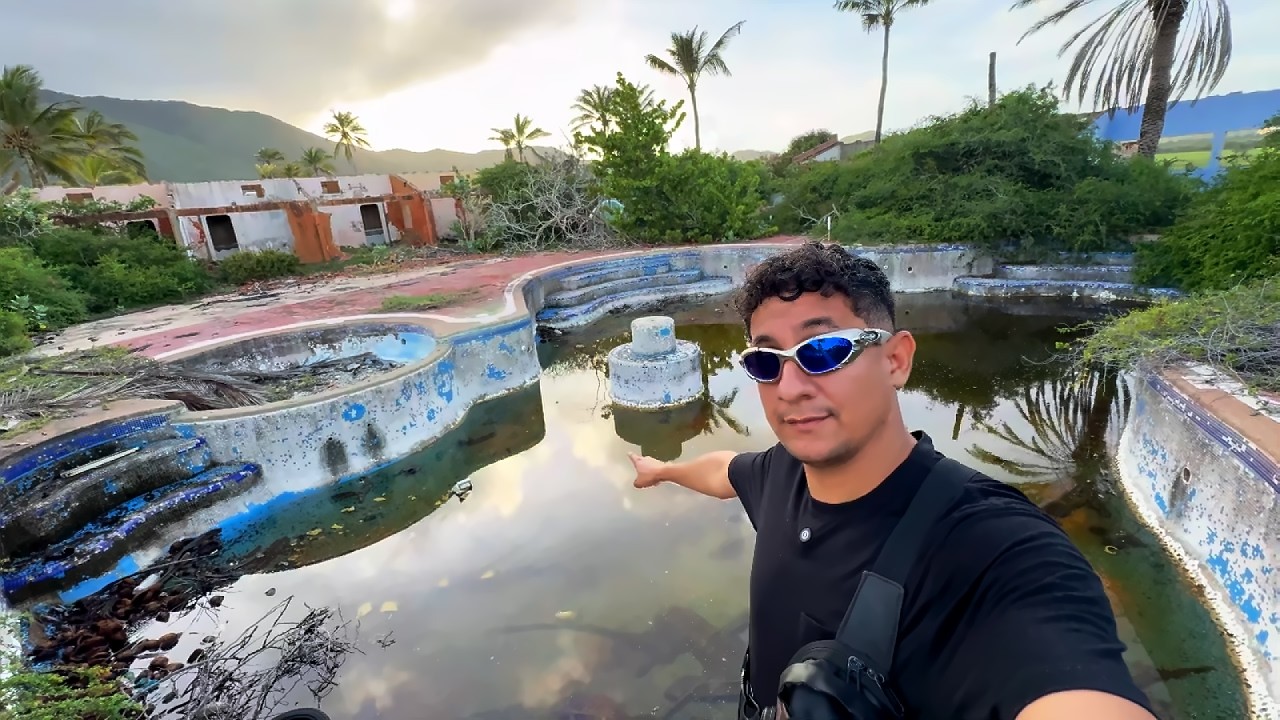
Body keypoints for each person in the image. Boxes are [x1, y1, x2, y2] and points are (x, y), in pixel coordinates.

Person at [628, 242, 1156, 720]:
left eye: (824, 351)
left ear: (897, 360)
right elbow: (726, 470)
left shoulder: (990, 548)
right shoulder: (783, 473)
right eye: (767, 362)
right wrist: (664, 470)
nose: (789, 388)